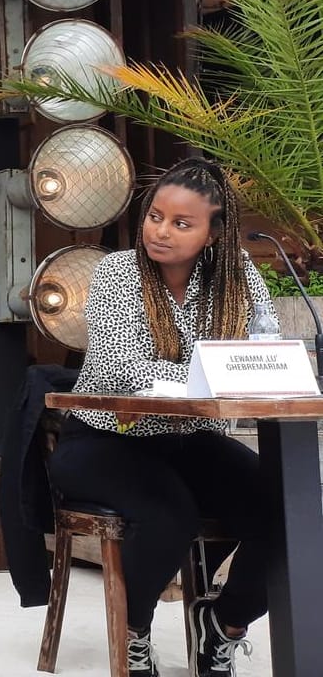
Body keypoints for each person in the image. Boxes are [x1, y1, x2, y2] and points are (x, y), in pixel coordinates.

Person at [47, 157, 273, 677]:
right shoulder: (116, 274)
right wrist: (206, 380)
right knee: (171, 515)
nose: (161, 232)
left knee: (291, 506)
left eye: (182, 223)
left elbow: (255, 351)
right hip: (106, 439)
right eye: (155, 216)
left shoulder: (238, 279)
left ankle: (225, 625)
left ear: (215, 234)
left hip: (189, 439)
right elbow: (121, 368)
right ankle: (133, 632)